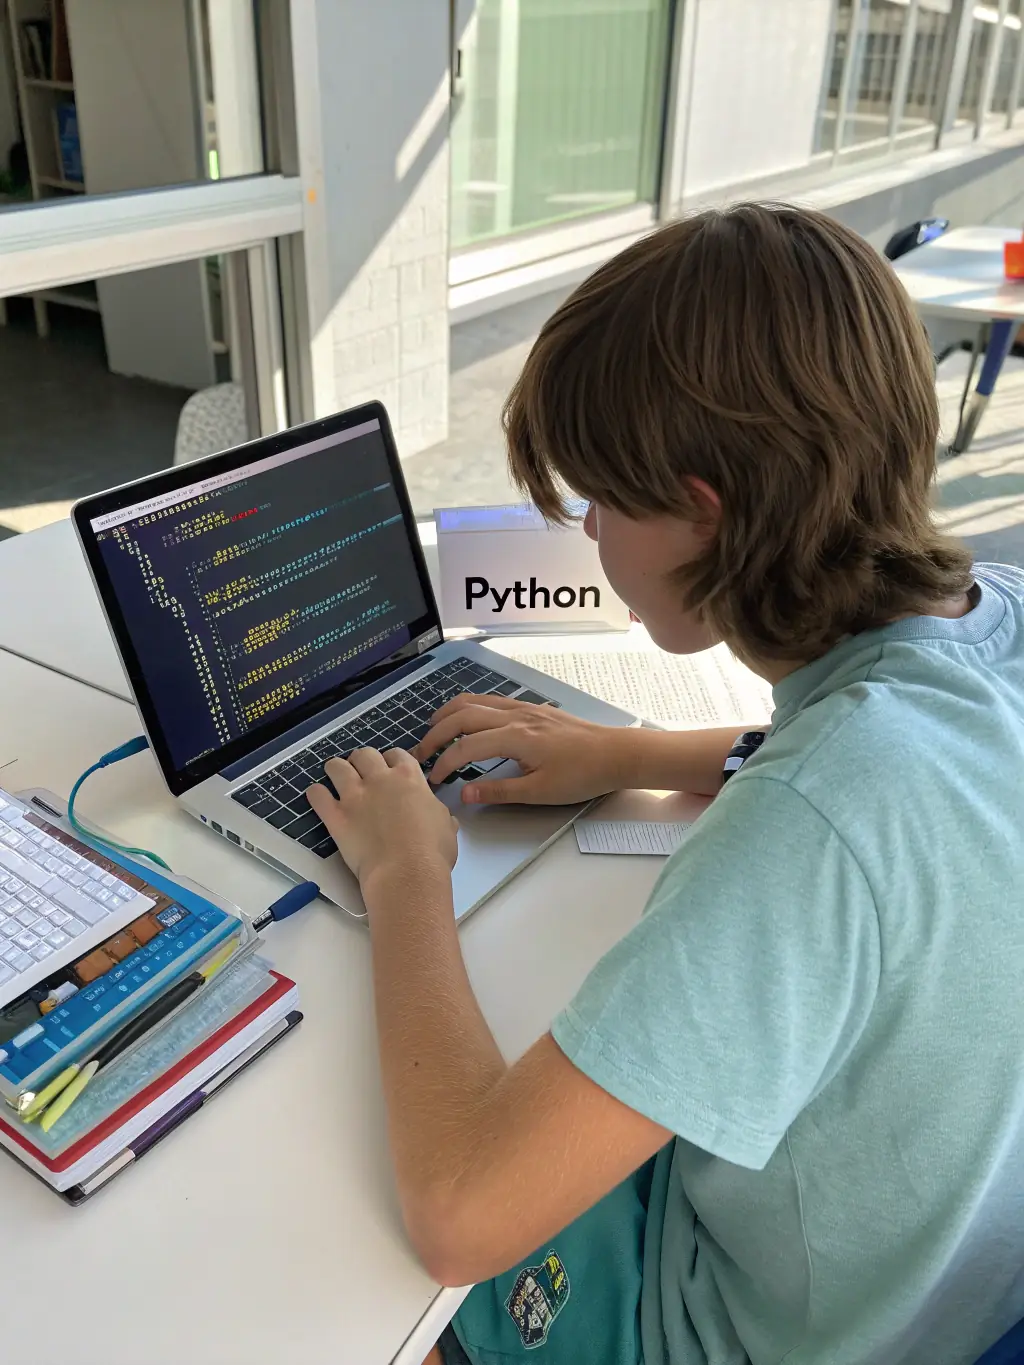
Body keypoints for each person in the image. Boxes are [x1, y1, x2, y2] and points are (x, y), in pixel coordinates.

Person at [306, 204, 1024, 1365]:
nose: (587, 534)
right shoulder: (996, 622)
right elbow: (884, 765)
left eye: (600, 500)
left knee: (356, 1252)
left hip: (738, 1331)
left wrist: (403, 874)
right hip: (956, 1286)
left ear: (703, 511)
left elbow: (461, 1220)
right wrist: (623, 754)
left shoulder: (807, 829)